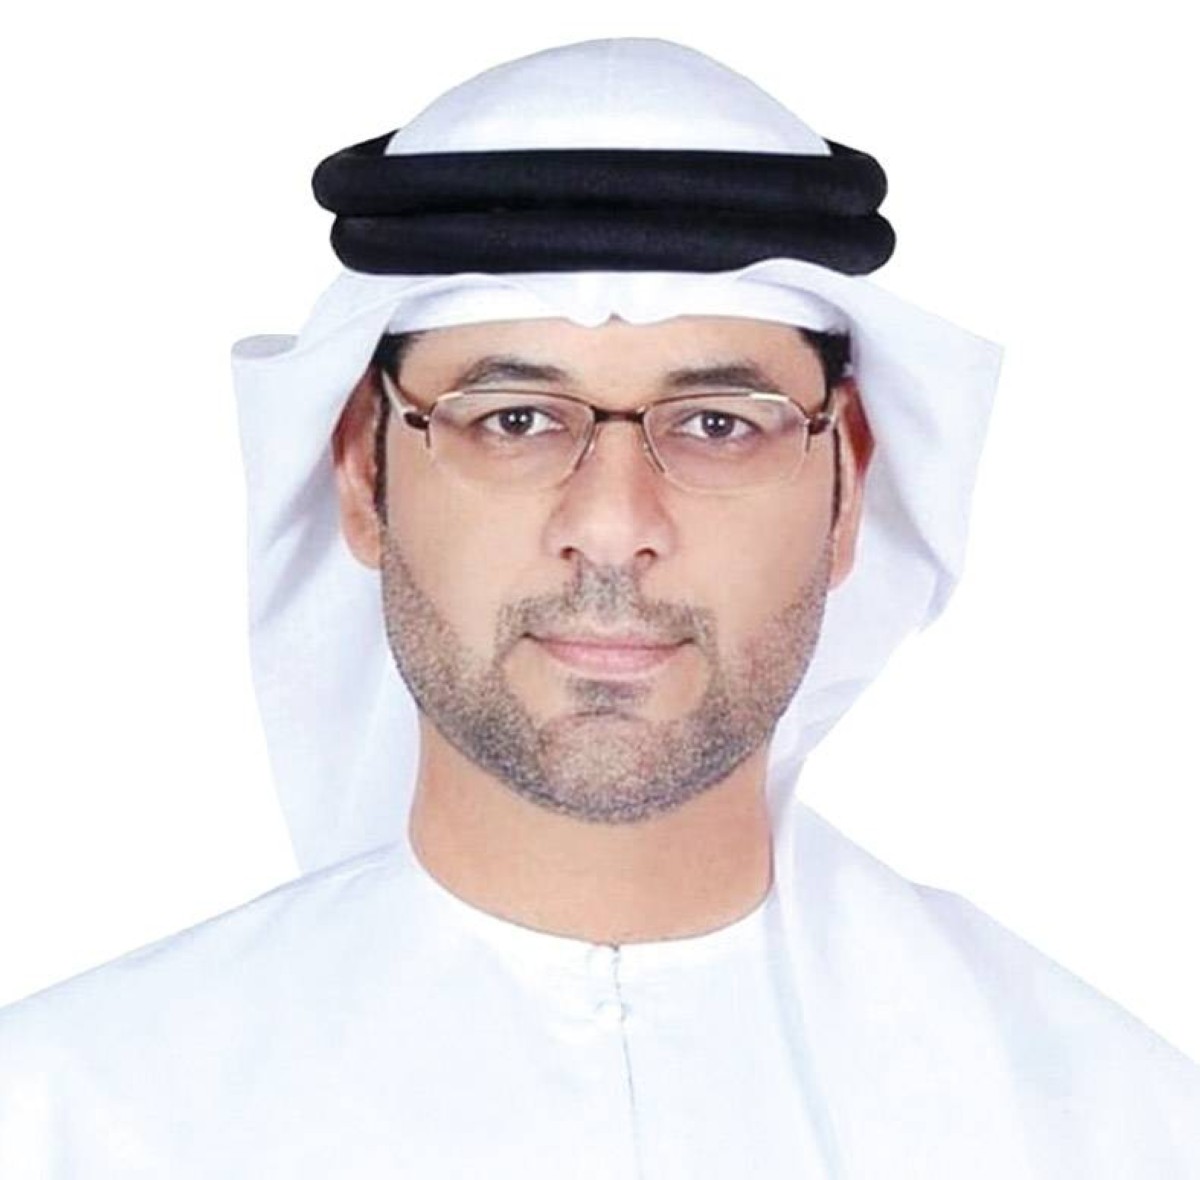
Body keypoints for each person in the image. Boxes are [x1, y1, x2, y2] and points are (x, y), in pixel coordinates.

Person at [1, 37, 1196, 1178]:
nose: (615, 523)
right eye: (514, 418)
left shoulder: (1106, 1128)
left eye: (719, 423)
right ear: (364, 471)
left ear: (846, 489)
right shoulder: (73, 1120)